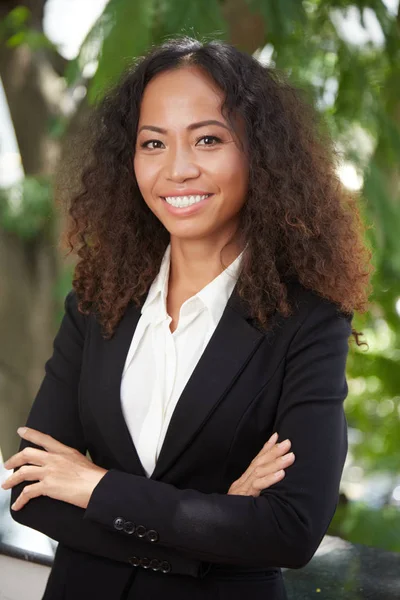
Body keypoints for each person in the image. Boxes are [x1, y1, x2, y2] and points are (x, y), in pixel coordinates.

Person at [1, 37, 372, 600]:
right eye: (154, 142)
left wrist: (95, 485)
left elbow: (291, 531)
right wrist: (215, 519)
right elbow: (32, 491)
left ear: (259, 153)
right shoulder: (99, 298)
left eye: (207, 138)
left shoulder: (309, 320)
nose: (177, 168)